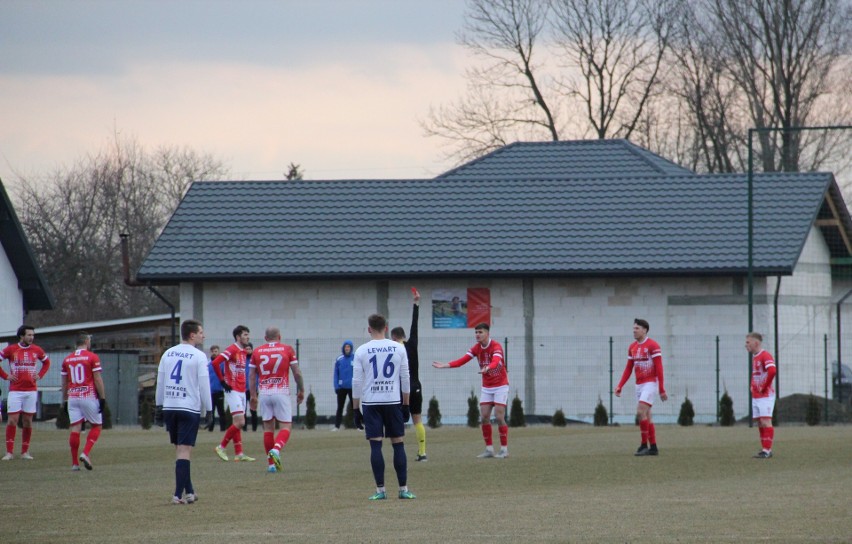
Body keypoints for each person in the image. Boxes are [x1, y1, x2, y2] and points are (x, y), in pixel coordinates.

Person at [352, 313, 416, 500]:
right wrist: (406, 404)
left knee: (375, 446)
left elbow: (356, 382)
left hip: (371, 402)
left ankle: (380, 491)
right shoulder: (398, 348)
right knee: (398, 443)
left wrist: (356, 409)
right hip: (393, 400)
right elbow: (406, 377)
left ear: (369, 329)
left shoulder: (362, 350)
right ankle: (403, 489)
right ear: (386, 328)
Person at [155, 319, 213, 504]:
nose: (203, 335)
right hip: (188, 407)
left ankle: (190, 491)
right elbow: (204, 385)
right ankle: (177, 495)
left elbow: (161, 382)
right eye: (201, 332)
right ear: (192, 334)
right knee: (184, 451)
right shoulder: (199, 356)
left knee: (180, 450)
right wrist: (209, 410)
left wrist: (158, 406)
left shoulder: (167, 353)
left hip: (170, 406)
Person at [433, 322, 509, 459]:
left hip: (500, 385)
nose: (477, 335)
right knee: (484, 417)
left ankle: (504, 449)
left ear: (487, 333)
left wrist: (488, 367)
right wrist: (446, 365)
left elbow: (496, 360)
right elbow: (462, 360)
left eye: (480, 332)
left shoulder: (496, 346)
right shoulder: (476, 348)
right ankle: (489, 449)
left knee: (499, 417)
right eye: (476, 332)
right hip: (487, 386)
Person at [248, 327, 304, 473]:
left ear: (265, 338)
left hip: (265, 393)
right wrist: (301, 390)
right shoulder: (287, 349)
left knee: (268, 429)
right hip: (281, 391)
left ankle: (271, 465)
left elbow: (252, 376)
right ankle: (276, 449)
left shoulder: (257, 351)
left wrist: (253, 396)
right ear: (279, 336)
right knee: (285, 427)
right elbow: (296, 372)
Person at [615, 318, 667, 456]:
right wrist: (620, 385)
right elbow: (628, 368)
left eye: (637, 328)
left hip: (650, 383)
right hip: (639, 385)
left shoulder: (653, 345)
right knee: (647, 415)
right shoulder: (632, 347)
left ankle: (644, 445)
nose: (634, 331)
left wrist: (661, 388)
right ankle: (653, 447)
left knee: (640, 412)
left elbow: (659, 367)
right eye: (633, 328)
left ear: (644, 330)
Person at [0, 325, 51, 461]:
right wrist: (6, 376)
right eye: (29, 335)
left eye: (33, 335)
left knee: (27, 421)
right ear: (21, 336)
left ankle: (25, 452)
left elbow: (47, 363)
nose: (31, 337)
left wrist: (40, 375)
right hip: (15, 391)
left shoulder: (37, 350)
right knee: (12, 420)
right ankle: (9, 452)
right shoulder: (11, 349)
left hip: (31, 391)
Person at [61, 332, 106, 471]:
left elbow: (64, 382)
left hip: (73, 396)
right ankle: (85, 453)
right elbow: (97, 378)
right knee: (97, 426)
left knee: (75, 428)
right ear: (87, 341)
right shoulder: (92, 357)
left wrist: (65, 400)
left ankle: (74, 464)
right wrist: (103, 397)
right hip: (88, 395)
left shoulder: (67, 359)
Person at [391, 287, 427, 461]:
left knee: (399, 420)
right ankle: (422, 452)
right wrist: (416, 304)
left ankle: (400, 451)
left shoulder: (394, 349)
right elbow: (415, 324)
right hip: (417, 386)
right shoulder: (412, 343)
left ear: (393, 337)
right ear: (404, 335)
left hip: (402, 389)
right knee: (417, 420)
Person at [211, 325, 255, 462]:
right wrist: (222, 381)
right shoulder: (232, 349)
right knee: (241, 421)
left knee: (238, 422)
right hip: (233, 390)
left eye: (248, 334)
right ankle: (221, 446)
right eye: (245, 334)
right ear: (238, 337)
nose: (248, 337)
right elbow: (216, 363)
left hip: (242, 390)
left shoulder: (242, 352)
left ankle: (239, 453)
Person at [747, 332, 776, 459]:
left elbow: (772, 371)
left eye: (748, 342)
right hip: (757, 395)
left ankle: (767, 450)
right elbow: (758, 374)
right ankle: (765, 448)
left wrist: (763, 386)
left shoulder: (765, 355)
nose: (746, 345)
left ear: (756, 343)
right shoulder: (755, 357)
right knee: (760, 422)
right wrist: (752, 385)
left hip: (766, 395)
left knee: (765, 421)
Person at [332, 340, 354, 431]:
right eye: (346, 347)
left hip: (353, 387)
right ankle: (337, 426)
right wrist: (336, 386)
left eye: (348, 347)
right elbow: (335, 374)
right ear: (343, 348)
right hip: (342, 387)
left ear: (351, 348)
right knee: (340, 407)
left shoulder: (355, 358)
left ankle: (358, 424)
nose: (347, 348)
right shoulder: (339, 359)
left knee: (355, 407)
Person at [206, 345, 226, 432]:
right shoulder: (208, 364)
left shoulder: (222, 364)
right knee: (211, 411)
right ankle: (210, 428)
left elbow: (224, 375)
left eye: (216, 351)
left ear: (219, 352)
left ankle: (223, 428)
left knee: (221, 411)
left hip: (219, 391)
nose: (214, 353)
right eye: (213, 351)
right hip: (210, 391)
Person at [243, 342, 258, 432]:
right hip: (243, 389)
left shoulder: (255, 360)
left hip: (253, 388)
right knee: (243, 409)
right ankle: (244, 428)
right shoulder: (242, 360)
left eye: (249, 349)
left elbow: (258, 373)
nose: (248, 350)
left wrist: (257, 384)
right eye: (246, 349)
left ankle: (254, 428)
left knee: (253, 409)